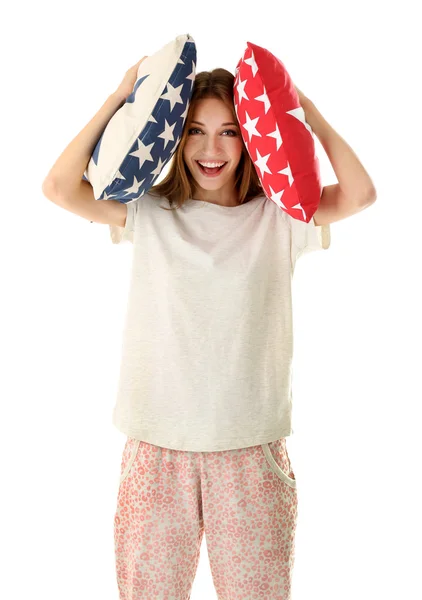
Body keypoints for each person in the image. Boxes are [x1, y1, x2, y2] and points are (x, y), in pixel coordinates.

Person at [42, 63, 376, 600]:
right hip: (157, 445)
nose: (210, 148)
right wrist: (117, 96)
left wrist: (301, 110)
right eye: (195, 130)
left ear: (250, 139)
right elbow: (59, 187)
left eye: (229, 131)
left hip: (248, 444)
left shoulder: (281, 216)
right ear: (177, 137)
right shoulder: (148, 212)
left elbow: (360, 195)